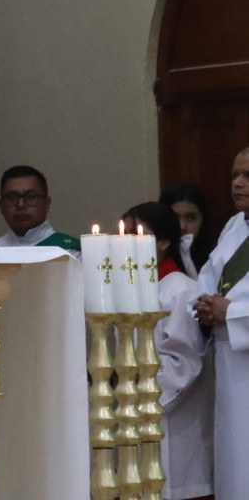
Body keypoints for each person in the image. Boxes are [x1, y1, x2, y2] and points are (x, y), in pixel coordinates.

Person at [124, 202, 212, 500]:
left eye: (137, 234)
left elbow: (184, 361)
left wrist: (134, 388)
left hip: (169, 422)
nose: (126, 243)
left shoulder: (179, 289)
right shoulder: (127, 289)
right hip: (132, 416)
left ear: (163, 242)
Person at [194, 147, 249, 500]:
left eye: (247, 176)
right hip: (230, 366)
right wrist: (201, 307)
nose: (238, 184)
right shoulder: (234, 227)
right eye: (234, 176)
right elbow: (205, 281)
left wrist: (231, 313)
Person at [0, 166, 81, 252]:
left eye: (31, 197)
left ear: (47, 203)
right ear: (1, 206)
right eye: (11, 197)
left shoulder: (71, 252)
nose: (21, 205)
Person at [162, 181, 218, 278]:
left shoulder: (217, 255)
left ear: (203, 219)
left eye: (191, 218)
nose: (182, 226)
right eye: (174, 217)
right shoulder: (153, 258)